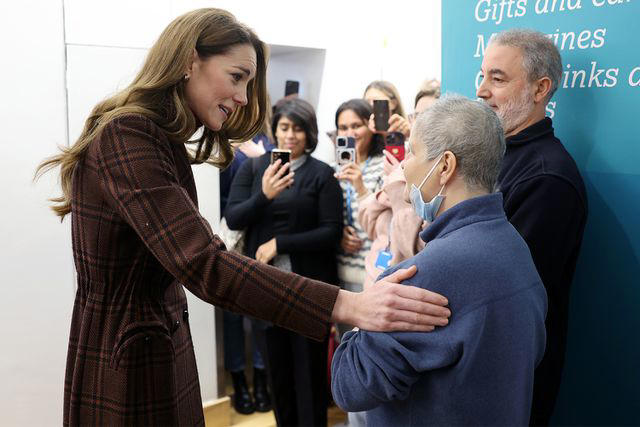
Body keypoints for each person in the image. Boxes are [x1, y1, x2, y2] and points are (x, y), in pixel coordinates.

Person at [34, 9, 451, 425]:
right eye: (236, 77)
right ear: (188, 61)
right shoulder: (129, 136)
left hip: (152, 345)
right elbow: (205, 263)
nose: (243, 96)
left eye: (248, 83)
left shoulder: (154, 139)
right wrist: (348, 305)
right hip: (127, 361)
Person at [331, 95, 548, 426]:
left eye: (414, 152)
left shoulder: (428, 270)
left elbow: (350, 387)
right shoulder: (514, 246)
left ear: (445, 166)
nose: (404, 164)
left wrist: (365, 311)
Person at [477, 28, 588, 426]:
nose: (481, 90)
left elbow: (503, 292)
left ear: (541, 89)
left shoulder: (547, 178)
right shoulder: (492, 156)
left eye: (498, 78)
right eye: (482, 75)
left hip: (507, 379)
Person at [226, 98, 341, 426]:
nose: (290, 135)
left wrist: (280, 243)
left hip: (310, 289)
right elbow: (233, 218)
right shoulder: (254, 167)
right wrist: (264, 195)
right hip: (267, 290)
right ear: (274, 131)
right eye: (284, 127)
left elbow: (330, 232)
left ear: (309, 133)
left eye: (298, 128)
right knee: (278, 375)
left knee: (310, 377)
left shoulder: (322, 174)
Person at [218, 106, 275, 415]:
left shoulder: (268, 141)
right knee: (232, 316)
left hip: (263, 237)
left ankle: (262, 379)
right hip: (229, 237)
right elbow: (222, 198)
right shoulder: (219, 140)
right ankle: (239, 380)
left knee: (262, 310)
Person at [359, 79, 441, 288]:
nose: (419, 123)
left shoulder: (442, 176)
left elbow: (416, 243)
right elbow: (369, 220)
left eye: (429, 116)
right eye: (417, 116)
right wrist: (384, 195)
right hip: (375, 279)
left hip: (405, 287)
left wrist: (395, 186)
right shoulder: (403, 160)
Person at [333, 99, 385, 303]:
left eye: (356, 126)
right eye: (343, 128)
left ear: (370, 128)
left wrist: (360, 187)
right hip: (338, 274)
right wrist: (338, 235)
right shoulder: (332, 170)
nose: (350, 133)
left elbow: (387, 222)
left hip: (375, 274)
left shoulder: (385, 165)